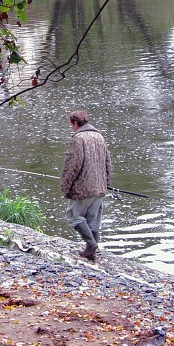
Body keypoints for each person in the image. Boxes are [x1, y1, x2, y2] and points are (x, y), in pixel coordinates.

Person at [61, 110, 111, 260]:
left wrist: (66, 186)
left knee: (74, 216)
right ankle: (92, 253)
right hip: (100, 187)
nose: (72, 127)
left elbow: (73, 165)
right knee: (93, 220)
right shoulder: (100, 136)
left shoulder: (78, 138)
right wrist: (106, 182)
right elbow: (108, 162)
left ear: (75, 123)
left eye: (71, 124)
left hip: (83, 187)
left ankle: (90, 244)